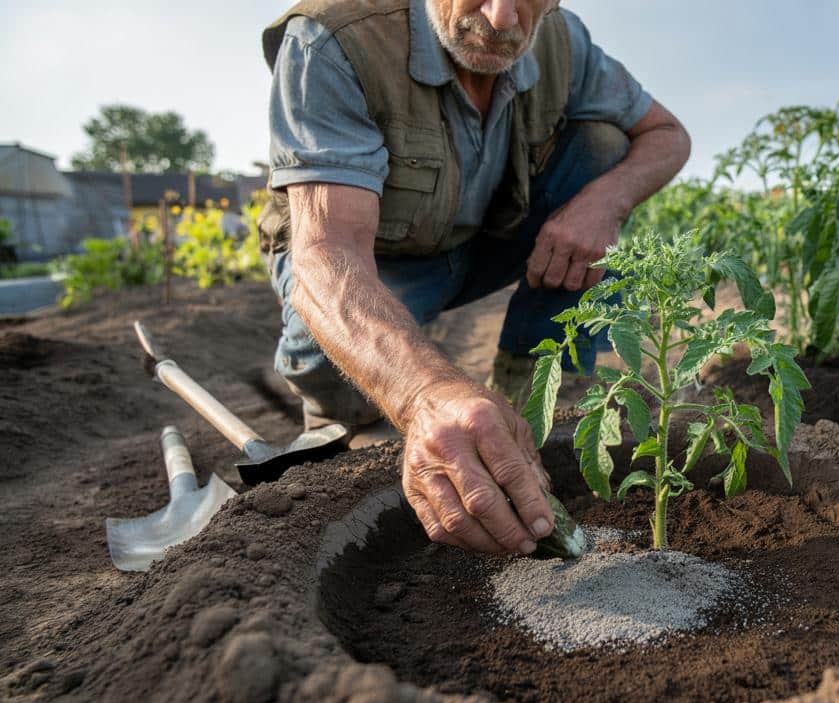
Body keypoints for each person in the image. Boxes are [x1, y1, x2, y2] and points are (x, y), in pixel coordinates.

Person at [258, 0, 690, 556]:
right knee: (334, 358)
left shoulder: (563, 42)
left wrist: (603, 203)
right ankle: (350, 418)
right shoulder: (335, 40)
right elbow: (328, 256)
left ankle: (525, 401)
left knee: (605, 144)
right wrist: (424, 393)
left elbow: (668, 134)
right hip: (373, 262)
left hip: (487, 239)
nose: (503, 18)